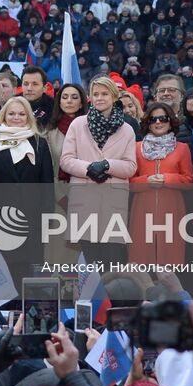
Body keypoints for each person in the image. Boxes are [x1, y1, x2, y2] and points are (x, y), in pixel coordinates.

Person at [59, 76, 137, 262]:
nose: (100, 98)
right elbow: (66, 160)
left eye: (104, 94)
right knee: (90, 260)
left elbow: (130, 167)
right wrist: (89, 168)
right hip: (84, 200)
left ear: (114, 97)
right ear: (90, 97)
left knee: (113, 260)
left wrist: (108, 165)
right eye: (96, 94)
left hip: (113, 202)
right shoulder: (78, 124)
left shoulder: (127, 129)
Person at [128, 101, 191, 266]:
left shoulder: (182, 148)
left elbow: (188, 180)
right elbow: (128, 181)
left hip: (172, 209)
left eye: (163, 118)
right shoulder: (136, 148)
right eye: (153, 119)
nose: (158, 122)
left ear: (170, 121)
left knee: (169, 256)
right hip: (142, 209)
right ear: (147, 123)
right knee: (141, 257)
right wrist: (146, 181)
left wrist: (167, 179)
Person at [0, 97, 54, 183]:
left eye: (22, 114)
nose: (16, 117)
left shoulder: (40, 143)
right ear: (4, 116)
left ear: (28, 117)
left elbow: (47, 182)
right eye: (11, 114)